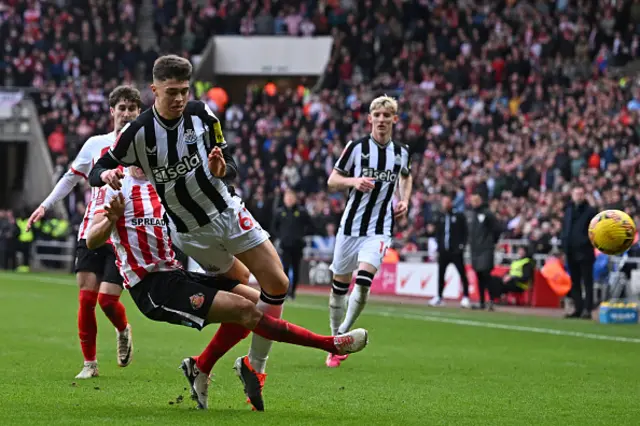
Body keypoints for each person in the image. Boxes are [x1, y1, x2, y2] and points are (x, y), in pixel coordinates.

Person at [88, 55, 289, 411]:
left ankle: (251, 367)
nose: (179, 99)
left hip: (226, 212)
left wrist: (222, 167)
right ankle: (206, 365)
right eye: (171, 92)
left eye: (184, 91)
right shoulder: (139, 133)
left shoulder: (203, 115)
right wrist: (105, 175)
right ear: (154, 91)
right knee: (243, 300)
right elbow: (101, 166)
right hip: (191, 232)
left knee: (277, 287)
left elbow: (229, 162)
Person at [86, 168, 368, 410]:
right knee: (244, 310)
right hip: (152, 288)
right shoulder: (116, 185)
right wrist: (112, 218)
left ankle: (201, 366)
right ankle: (329, 344)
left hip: (176, 273)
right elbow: (91, 239)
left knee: (257, 301)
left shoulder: (165, 185)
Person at [26, 85, 141, 379]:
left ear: (139, 113)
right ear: (111, 111)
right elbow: (71, 177)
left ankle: (122, 328)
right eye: (122, 108)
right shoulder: (95, 144)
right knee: (86, 299)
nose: (126, 114)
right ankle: (89, 364)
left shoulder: (145, 147)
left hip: (124, 233)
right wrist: (45, 205)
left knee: (106, 301)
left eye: (132, 109)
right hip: (92, 226)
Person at [325, 95, 412, 368]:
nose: (382, 120)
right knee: (338, 288)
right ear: (370, 119)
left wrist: (405, 200)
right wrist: (354, 181)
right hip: (350, 228)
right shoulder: (356, 148)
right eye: (378, 115)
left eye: (388, 115)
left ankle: (340, 339)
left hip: (379, 230)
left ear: (395, 120)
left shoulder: (401, 152)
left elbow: (406, 176)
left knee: (362, 284)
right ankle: (332, 336)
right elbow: (332, 180)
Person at [271, 188, 316, 299]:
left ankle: (293, 292)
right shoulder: (280, 212)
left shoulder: (302, 212)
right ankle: (285, 291)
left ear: (295, 199)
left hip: (297, 246)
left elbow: (311, 226)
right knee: (285, 268)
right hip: (285, 246)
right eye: (287, 197)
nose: (289, 200)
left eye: (291, 197)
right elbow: (273, 228)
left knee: (296, 269)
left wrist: (301, 236)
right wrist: (280, 237)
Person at [428, 193, 470, 308]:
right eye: (443, 202)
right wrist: (439, 245)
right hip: (443, 251)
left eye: (447, 202)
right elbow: (438, 233)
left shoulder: (459, 216)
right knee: (441, 274)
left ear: (451, 203)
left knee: (462, 274)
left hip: (456, 251)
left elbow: (465, 232)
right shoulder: (440, 217)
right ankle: (439, 297)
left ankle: (466, 297)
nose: (444, 204)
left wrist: (461, 246)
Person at [561, 186, 597, 319]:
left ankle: (587, 309)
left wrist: (584, 242)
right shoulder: (569, 210)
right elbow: (565, 229)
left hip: (585, 251)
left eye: (581, 193)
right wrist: (564, 247)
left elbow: (595, 230)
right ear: (572, 194)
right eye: (577, 193)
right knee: (574, 281)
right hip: (571, 251)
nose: (579, 196)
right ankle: (578, 307)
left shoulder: (590, 211)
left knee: (587, 282)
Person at [468, 192, 502, 310]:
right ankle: (482, 302)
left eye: (475, 200)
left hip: (485, 249)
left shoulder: (487, 214)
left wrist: (492, 242)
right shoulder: (472, 214)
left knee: (486, 275)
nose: (473, 203)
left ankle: (491, 301)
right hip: (476, 250)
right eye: (472, 201)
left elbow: (497, 228)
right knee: (479, 276)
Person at [487, 245, 534, 310]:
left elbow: (525, 277)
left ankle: (499, 298)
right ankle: (494, 299)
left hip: (519, 284)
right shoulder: (516, 261)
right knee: (493, 279)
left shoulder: (527, 263)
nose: (520, 252)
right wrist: (505, 277)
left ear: (525, 252)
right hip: (511, 281)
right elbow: (509, 272)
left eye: (521, 250)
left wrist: (512, 277)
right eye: (519, 250)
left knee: (502, 283)